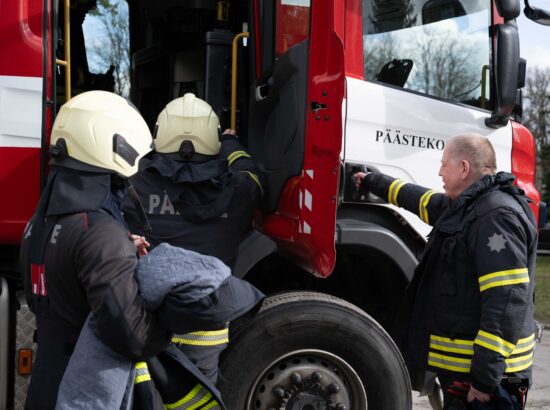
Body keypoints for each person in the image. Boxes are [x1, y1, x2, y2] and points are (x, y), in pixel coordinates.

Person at [354, 134, 537, 409]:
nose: (439, 171)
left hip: (487, 382)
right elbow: (421, 200)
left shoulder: (495, 218)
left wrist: (484, 379)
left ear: (463, 169)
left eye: (444, 165)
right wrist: (373, 181)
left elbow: (505, 301)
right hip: (468, 376)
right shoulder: (466, 207)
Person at [19, 91, 171, 410]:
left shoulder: (37, 224)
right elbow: (133, 336)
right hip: (87, 395)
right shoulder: (101, 235)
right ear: (115, 145)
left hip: (45, 388)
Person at [123, 93, 264, 384]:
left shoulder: (134, 184)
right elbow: (252, 176)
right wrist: (230, 143)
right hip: (205, 327)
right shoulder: (238, 191)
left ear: (160, 134)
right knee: (197, 398)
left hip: (146, 323)